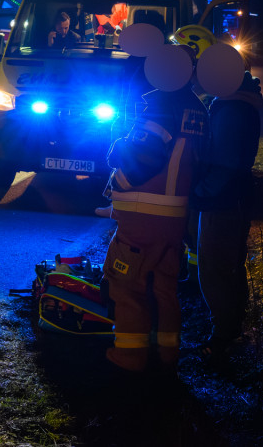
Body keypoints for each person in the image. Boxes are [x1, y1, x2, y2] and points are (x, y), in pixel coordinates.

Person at [102, 36, 209, 373]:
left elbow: (143, 155)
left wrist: (116, 179)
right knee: (164, 287)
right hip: (173, 216)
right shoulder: (198, 110)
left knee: (127, 283)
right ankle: (166, 354)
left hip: (143, 215)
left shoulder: (160, 107)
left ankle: (129, 356)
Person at [191, 70, 263, 361]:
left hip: (223, 199)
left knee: (216, 266)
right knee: (229, 265)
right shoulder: (236, 104)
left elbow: (225, 161)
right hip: (232, 197)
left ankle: (223, 334)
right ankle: (231, 326)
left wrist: (202, 192)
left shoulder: (232, 109)